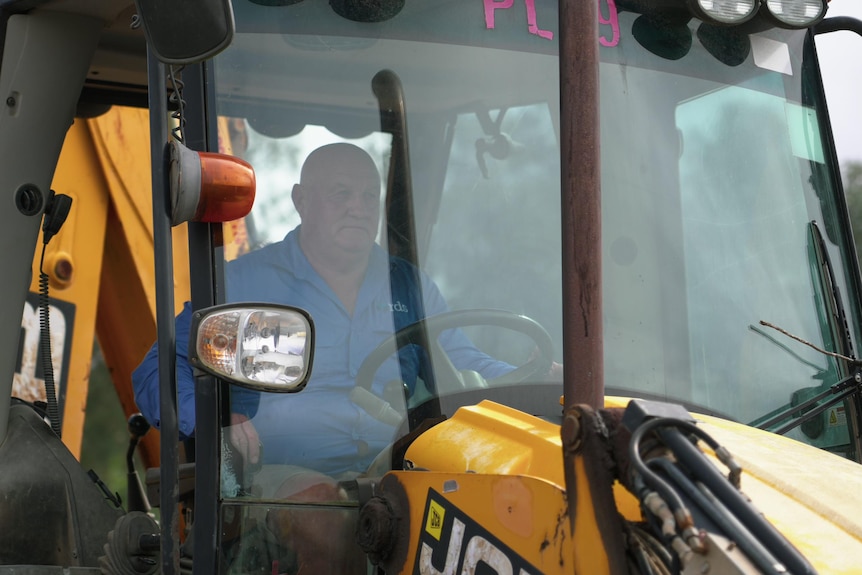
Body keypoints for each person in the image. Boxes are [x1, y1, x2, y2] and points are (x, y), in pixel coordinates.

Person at [132, 143, 517, 477]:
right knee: (323, 518)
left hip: (398, 467)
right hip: (279, 478)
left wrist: (539, 379)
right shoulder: (245, 284)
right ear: (301, 201)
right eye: (341, 194)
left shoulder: (408, 285)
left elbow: (467, 366)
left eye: (369, 196)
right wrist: (211, 420)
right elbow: (159, 368)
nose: (358, 208)